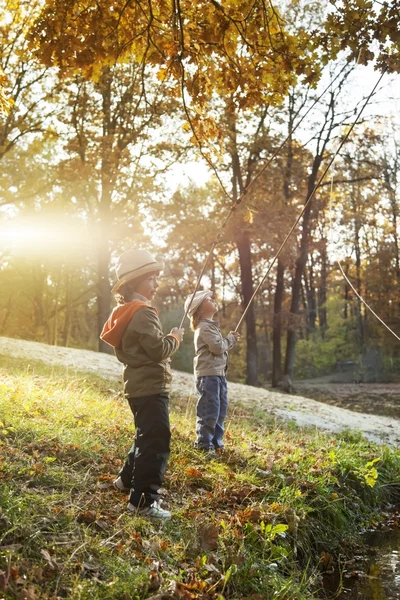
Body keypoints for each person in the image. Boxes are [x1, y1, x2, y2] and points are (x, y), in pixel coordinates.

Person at [100, 248, 184, 519]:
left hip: (137, 387)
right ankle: (143, 502)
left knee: (145, 434)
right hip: (151, 387)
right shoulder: (143, 313)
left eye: (157, 278)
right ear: (134, 282)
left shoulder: (123, 311)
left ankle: (126, 480)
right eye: (151, 279)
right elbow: (158, 350)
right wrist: (175, 339)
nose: (157, 285)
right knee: (156, 439)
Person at [184, 290, 239, 458]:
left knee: (221, 409)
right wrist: (230, 340)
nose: (213, 299)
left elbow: (219, 347)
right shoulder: (204, 328)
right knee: (210, 409)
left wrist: (229, 340)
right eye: (207, 299)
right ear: (200, 310)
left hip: (218, 374)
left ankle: (216, 442)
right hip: (208, 375)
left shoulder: (211, 326)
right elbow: (217, 348)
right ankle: (203, 444)